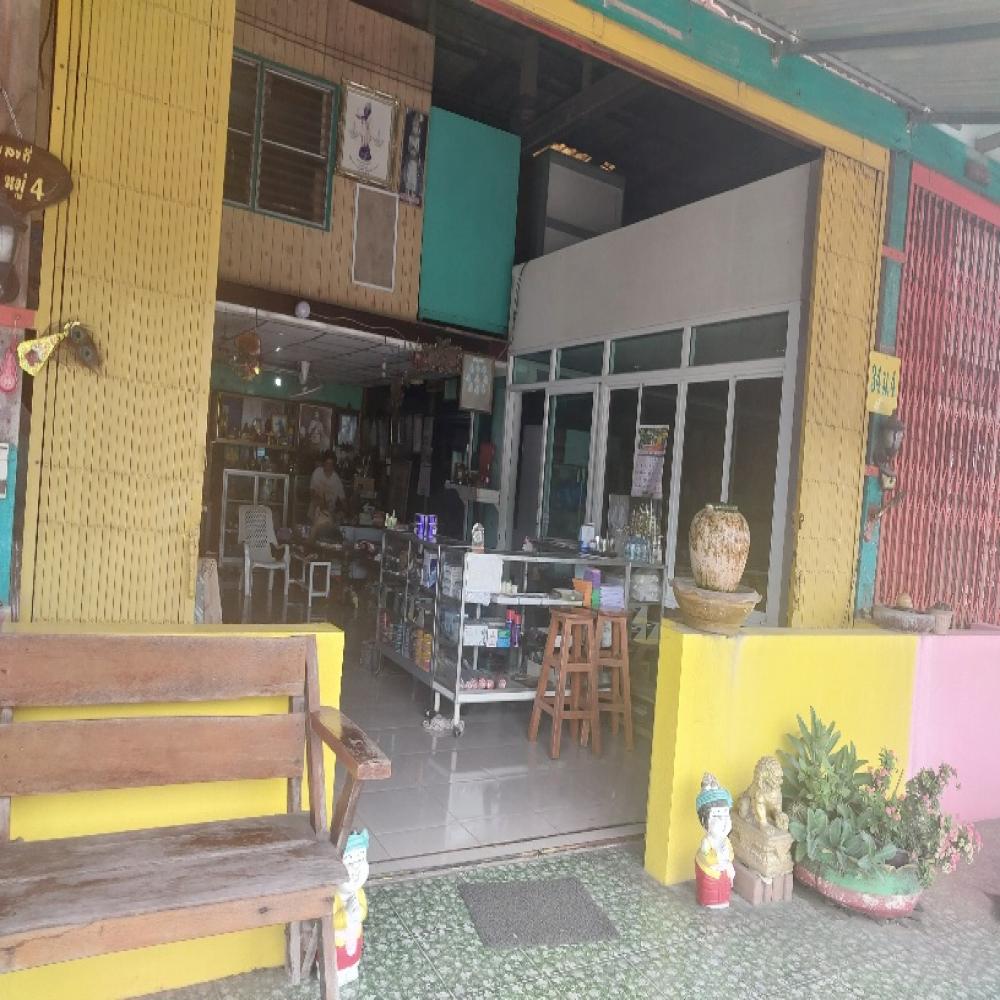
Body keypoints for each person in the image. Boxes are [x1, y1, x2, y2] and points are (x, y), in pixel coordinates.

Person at [308, 451, 345, 545]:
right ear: (323, 463)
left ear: (334, 466)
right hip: (315, 513)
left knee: (326, 542)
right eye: (327, 463)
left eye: (331, 464)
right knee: (313, 539)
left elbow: (343, 499)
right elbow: (312, 492)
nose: (328, 467)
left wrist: (345, 512)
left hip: (329, 516)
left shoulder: (336, 479)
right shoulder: (317, 473)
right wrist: (320, 503)